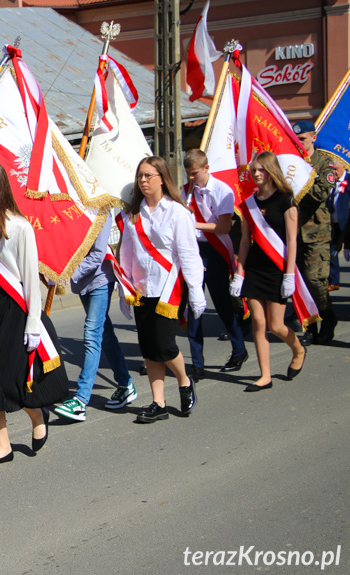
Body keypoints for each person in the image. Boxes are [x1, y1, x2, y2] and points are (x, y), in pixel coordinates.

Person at [0, 161, 68, 467]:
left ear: (0, 187)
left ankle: (36, 414)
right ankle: (2, 446)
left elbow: (30, 278)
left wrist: (33, 322)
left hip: (12, 306)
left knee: (7, 376)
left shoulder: (20, 227)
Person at [118, 156, 205, 423]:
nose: (143, 181)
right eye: (140, 176)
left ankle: (184, 380)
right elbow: (128, 253)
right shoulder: (134, 214)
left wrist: (196, 290)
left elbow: (189, 254)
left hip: (169, 288)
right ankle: (158, 403)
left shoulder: (178, 213)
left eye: (148, 176)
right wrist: (126, 290)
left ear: (162, 178)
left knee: (165, 345)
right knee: (148, 348)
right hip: (143, 288)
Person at [230, 152, 307, 391]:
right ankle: (265, 375)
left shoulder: (286, 200)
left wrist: (289, 274)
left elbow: (292, 240)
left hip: (277, 267)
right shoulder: (249, 204)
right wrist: (239, 273)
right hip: (254, 267)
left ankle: (298, 349)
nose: (257, 174)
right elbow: (244, 241)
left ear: (272, 171)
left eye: (261, 170)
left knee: (276, 325)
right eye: (254, 170)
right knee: (258, 323)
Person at [53, 215, 136, 422]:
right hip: (83, 283)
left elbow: (98, 254)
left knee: (91, 334)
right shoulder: (72, 210)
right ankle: (125, 383)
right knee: (104, 333)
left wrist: (69, 274)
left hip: (100, 280)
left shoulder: (101, 211)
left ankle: (81, 400)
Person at [181, 149, 248, 382]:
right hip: (193, 251)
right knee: (194, 306)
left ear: (206, 168)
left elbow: (223, 227)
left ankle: (239, 350)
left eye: (195, 173)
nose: (191, 178)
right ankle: (197, 364)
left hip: (216, 251)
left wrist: (194, 223)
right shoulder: (185, 192)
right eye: (188, 174)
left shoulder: (222, 190)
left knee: (221, 304)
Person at [292, 120, 338, 345]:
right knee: (299, 282)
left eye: (302, 139)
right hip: (292, 232)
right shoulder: (291, 162)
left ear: (313, 137)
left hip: (316, 232)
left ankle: (328, 318)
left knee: (315, 280)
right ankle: (309, 327)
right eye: (296, 140)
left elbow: (321, 193)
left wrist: (299, 181)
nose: (299, 143)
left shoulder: (324, 163)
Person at [327, 161, 349, 291]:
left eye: (336, 169)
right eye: (332, 169)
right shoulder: (329, 180)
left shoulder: (349, 180)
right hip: (334, 223)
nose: (334, 172)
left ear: (343, 167)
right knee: (332, 252)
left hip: (347, 224)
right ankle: (334, 281)